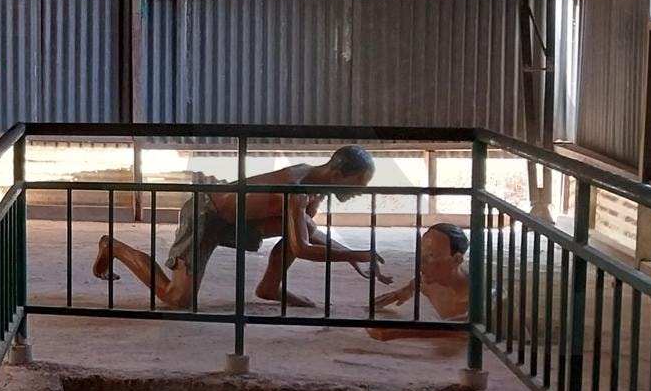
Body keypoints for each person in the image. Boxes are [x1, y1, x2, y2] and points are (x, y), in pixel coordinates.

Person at [91, 145, 391, 310]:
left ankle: (269, 287)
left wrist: (354, 255)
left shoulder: (317, 187)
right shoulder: (297, 188)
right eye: (359, 183)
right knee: (176, 299)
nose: (361, 190)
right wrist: (360, 254)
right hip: (206, 213)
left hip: (240, 221)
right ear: (337, 173)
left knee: (305, 225)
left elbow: (308, 233)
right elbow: (303, 248)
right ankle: (114, 247)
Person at [369, 223, 469, 341]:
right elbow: (418, 282)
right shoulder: (428, 284)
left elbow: (469, 324)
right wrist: (403, 292)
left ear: (456, 260)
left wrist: (401, 331)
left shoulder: (479, 294)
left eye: (431, 255)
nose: (421, 261)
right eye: (421, 253)